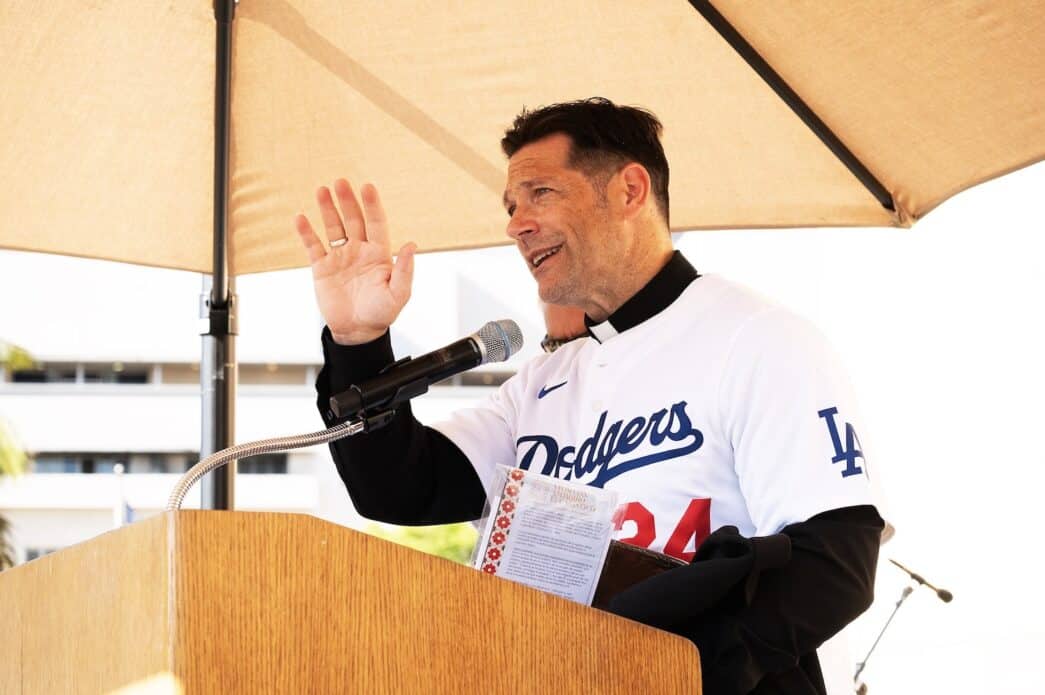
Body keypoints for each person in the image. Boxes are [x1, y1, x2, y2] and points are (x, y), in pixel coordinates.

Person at [294, 97, 883, 695]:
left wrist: (658, 671)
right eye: (510, 206)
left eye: (540, 193)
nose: (515, 223)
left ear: (630, 190)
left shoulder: (756, 337)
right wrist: (358, 342)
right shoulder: (542, 382)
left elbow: (835, 564)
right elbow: (397, 488)